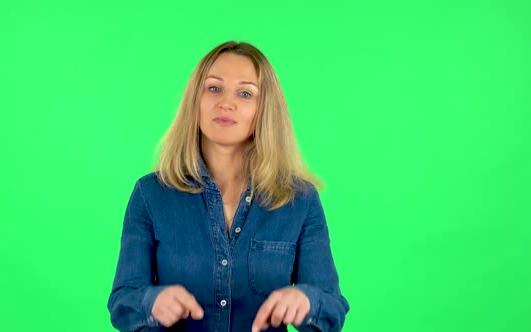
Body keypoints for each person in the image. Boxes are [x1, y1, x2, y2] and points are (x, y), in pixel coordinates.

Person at [107, 40, 350, 332]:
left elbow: (332, 307)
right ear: (195, 100)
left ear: (264, 110)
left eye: (245, 93)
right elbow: (123, 302)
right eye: (214, 88)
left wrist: (307, 301)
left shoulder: (301, 200)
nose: (226, 102)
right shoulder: (150, 195)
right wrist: (151, 303)